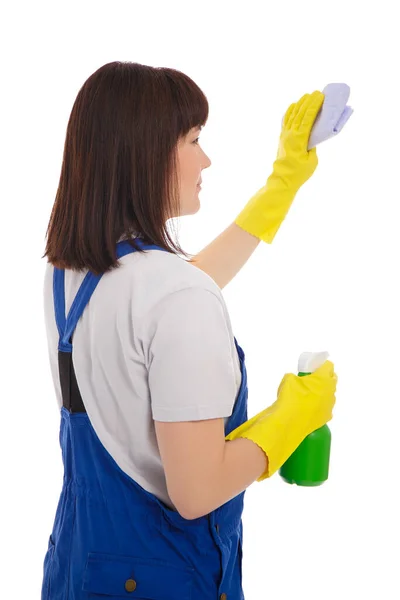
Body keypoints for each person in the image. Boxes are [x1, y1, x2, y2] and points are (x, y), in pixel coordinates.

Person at [41, 61, 337, 600]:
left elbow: (166, 300)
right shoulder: (174, 296)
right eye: (194, 139)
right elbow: (197, 491)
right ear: (146, 152)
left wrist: (281, 185)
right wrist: (291, 419)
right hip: (167, 579)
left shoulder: (69, 272)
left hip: (80, 566)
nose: (207, 159)